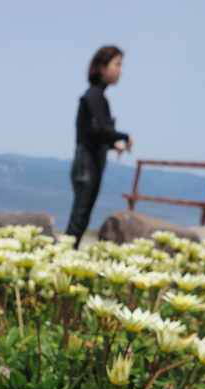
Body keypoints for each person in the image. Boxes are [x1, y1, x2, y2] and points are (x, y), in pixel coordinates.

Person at [65, 45, 132, 247]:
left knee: (81, 218)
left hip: (88, 162)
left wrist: (113, 144)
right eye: (117, 64)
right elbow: (101, 130)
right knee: (79, 220)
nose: (120, 70)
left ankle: (65, 256)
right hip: (87, 165)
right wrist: (125, 136)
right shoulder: (94, 96)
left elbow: (94, 133)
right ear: (102, 67)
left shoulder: (96, 96)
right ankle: (63, 260)